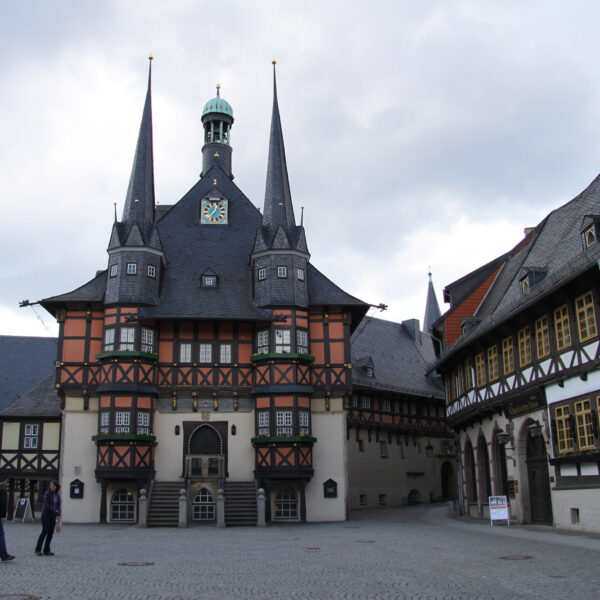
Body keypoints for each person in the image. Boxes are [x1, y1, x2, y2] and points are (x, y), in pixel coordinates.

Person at [35, 481, 61, 556]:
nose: (51, 487)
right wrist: (55, 511)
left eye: (53, 486)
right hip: (46, 515)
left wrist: (58, 512)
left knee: (50, 533)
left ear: (56, 487)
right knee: (44, 531)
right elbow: (46, 505)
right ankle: (38, 549)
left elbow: (58, 505)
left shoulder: (57, 495)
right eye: (51, 486)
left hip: (53, 516)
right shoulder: (47, 494)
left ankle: (46, 549)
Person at [0, 482, 15, 561]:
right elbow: (3, 504)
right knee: (1, 535)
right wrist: (3, 517)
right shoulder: (2, 492)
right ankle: (3, 554)